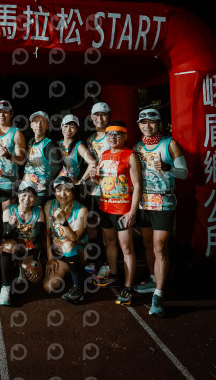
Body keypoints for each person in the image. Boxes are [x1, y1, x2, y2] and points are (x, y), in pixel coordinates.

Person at [133, 108, 188, 317]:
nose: (147, 126)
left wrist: (167, 167)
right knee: (147, 244)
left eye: (152, 122)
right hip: (144, 203)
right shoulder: (137, 147)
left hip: (164, 202)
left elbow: (184, 173)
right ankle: (153, 279)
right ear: (139, 125)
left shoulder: (170, 144)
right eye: (143, 122)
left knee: (159, 247)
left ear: (159, 124)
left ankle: (158, 295)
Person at [93, 120, 142, 306]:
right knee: (110, 243)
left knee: (126, 247)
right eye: (109, 134)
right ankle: (114, 275)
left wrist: (132, 212)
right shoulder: (104, 154)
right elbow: (102, 181)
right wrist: (94, 178)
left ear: (125, 136)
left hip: (123, 210)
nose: (112, 137)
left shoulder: (130, 155)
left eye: (117, 134)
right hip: (105, 208)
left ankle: (128, 287)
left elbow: (137, 186)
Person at [0, 180, 45, 306]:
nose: (27, 199)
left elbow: (39, 239)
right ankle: (5, 287)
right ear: (18, 195)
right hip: (12, 247)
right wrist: (11, 226)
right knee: (8, 245)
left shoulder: (38, 212)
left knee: (34, 276)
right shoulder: (9, 211)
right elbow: (6, 236)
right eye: (24, 195)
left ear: (35, 198)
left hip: (29, 248)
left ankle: (21, 266)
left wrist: (35, 261)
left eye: (31, 196)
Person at [43, 175, 89, 304]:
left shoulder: (82, 210)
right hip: (58, 254)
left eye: (67, 190)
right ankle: (71, 273)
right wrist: (50, 257)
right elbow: (47, 233)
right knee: (49, 286)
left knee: (68, 245)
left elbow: (75, 238)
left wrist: (64, 222)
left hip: (77, 252)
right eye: (59, 190)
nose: (62, 194)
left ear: (73, 192)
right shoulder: (49, 205)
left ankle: (79, 289)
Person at [84, 102, 113, 284]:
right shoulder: (89, 140)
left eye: (103, 114)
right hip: (92, 190)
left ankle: (109, 266)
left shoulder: (113, 137)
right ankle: (97, 260)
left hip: (110, 191)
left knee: (107, 230)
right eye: (96, 115)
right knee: (92, 229)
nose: (99, 118)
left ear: (109, 116)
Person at [0, 100, 26, 211]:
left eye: (5, 112)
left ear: (11, 113)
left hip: (8, 184)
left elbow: (22, 161)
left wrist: (8, 155)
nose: (2, 115)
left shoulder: (16, 133)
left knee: (7, 217)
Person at [23, 111, 63, 207]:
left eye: (43, 122)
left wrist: (46, 184)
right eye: (36, 122)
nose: (39, 125)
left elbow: (58, 166)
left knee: (38, 214)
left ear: (47, 126)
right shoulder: (31, 142)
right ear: (31, 125)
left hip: (40, 192)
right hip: (28, 187)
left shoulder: (50, 144)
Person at [58, 114, 97, 194]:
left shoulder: (78, 146)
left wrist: (81, 181)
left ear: (76, 129)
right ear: (61, 126)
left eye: (72, 127)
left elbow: (92, 163)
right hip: (57, 186)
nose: (68, 130)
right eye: (66, 126)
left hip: (71, 188)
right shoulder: (57, 144)